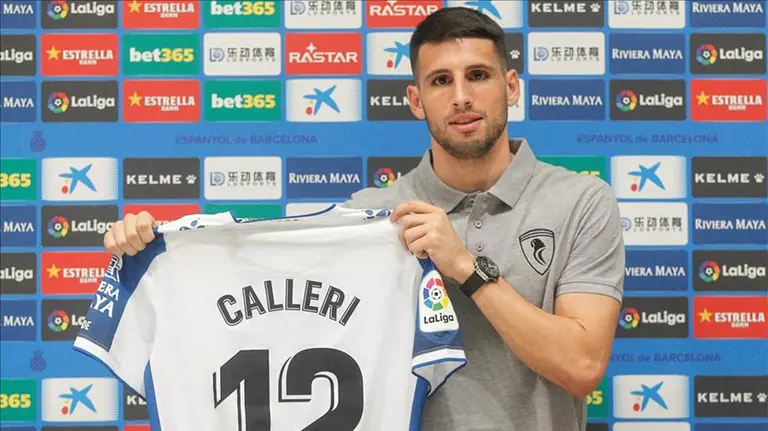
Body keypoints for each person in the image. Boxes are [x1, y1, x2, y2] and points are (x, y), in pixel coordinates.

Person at [104, 7, 624, 431]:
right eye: (440, 81)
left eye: (478, 76)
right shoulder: (370, 217)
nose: (462, 96)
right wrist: (154, 250)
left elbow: (581, 367)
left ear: (511, 86)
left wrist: (465, 267)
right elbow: (265, 293)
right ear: (416, 101)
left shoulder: (580, 201)